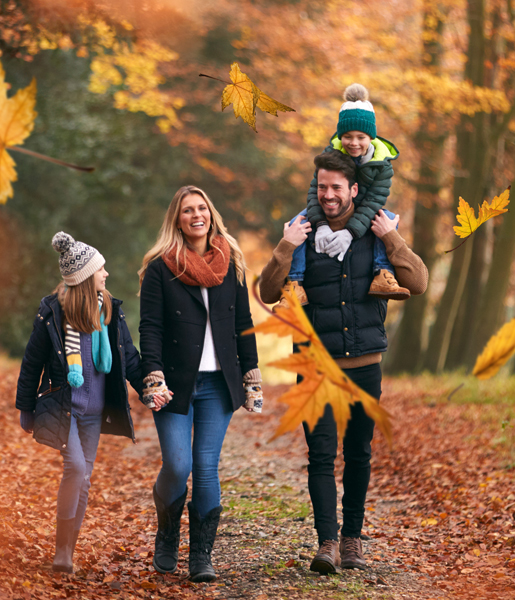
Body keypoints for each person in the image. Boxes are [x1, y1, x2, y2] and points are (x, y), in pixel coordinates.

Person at [259, 151, 428, 573]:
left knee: (358, 454)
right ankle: (327, 544)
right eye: (322, 187)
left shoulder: (376, 230)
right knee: (320, 456)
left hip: (364, 366)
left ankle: (352, 540)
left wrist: (392, 238)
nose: (329, 194)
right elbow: (267, 292)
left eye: (336, 187)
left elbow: (419, 283)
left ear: (353, 189)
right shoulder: (302, 232)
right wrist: (286, 245)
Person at [138, 185, 262, 582]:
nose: (197, 215)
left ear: (211, 214)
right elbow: (150, 326)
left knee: (206, 467)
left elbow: (243, 323)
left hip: (219, 383)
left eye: (202, 208)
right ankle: (167, 534)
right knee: (178, 464)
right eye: (188, 210)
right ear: (177, 219)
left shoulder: (231, 261)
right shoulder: (161, 267)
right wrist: (152, 373)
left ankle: (201, 556)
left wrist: (251, 374)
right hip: (174, 382)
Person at [16, 232, 149, 574]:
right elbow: (32, 362)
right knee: (75, 468)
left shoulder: (110, 311)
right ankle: (61, 549)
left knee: (85, 477)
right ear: (86, 277)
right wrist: (26, 407)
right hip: (66, 409)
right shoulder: (53, 314)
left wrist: (148, 388)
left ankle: (67, 551)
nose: (106, 274)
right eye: (101, 269)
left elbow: (129, 359)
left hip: (94, 412)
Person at [276, 83, 409, 309]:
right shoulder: (330, 156)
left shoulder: (382, 165)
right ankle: (295, 284)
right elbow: (315, 192)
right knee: (298, 223)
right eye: (347, 136)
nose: (353, 143)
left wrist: (350, 231)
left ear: (371, 137)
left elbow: (374, 200)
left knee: (387, 220)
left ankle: (383, 273)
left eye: (361, 137)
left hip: (364, 208)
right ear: (340, 136)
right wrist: (321, 225)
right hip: (333, 208)